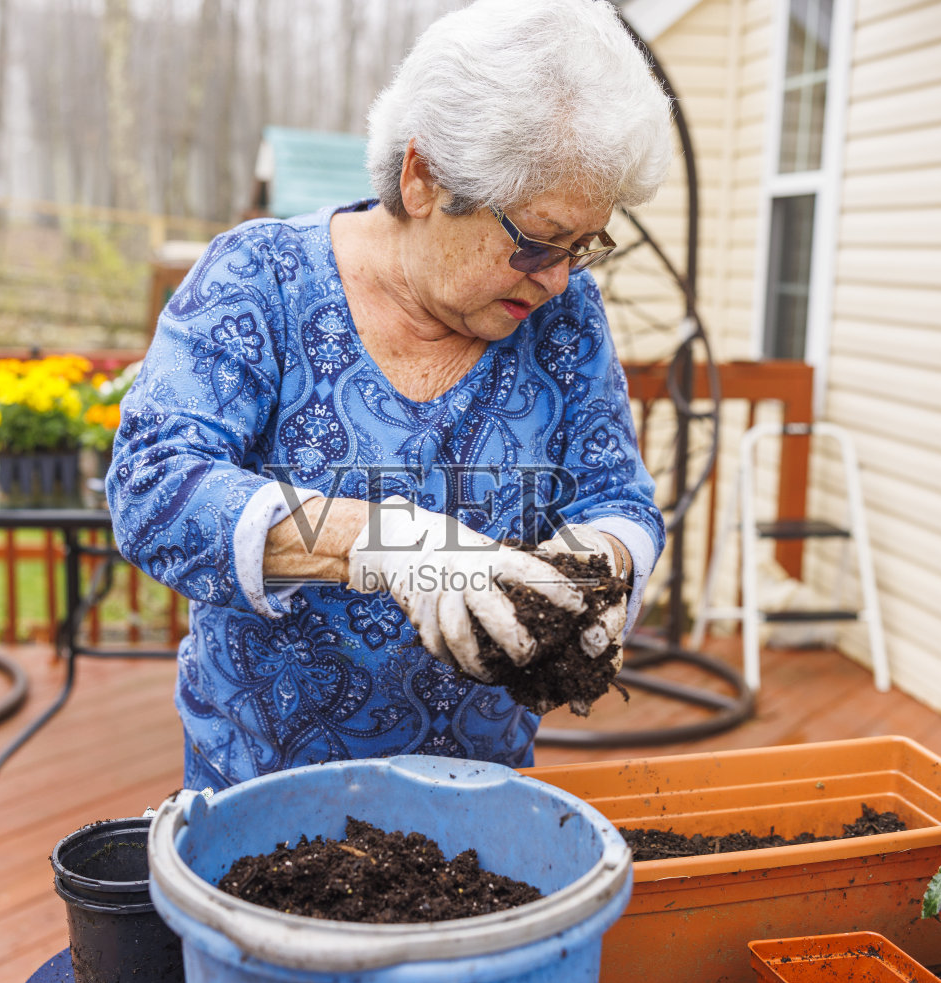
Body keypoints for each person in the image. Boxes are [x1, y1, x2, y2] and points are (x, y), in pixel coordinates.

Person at [109, 0, 672, 790]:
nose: (556, 278)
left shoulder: (566, 318)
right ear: (422, 178)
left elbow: (622, 500)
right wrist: (391, 542)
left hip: (478, 805)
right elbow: (155, 488)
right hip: (264, 792)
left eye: (583, 246)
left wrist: (599, 567)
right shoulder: (259, 281)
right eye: (538, 240)